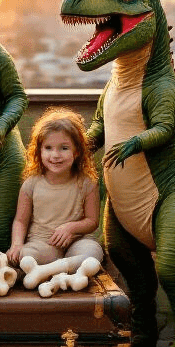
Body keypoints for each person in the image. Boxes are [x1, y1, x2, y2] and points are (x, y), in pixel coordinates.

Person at [7, 108, 104, 271]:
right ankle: (62, 270)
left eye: (64, 148)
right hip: (43, 244)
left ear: (77, 150)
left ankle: (49, 270)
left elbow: (92, 221)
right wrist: (16, 244)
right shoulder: (31, 184)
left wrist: (71, 228)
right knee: (24, 255)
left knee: (93, 252)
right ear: (39, 151)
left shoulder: (87, 183)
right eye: (48, 148)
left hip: (76, 243)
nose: (55, 155)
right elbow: (20, 221)